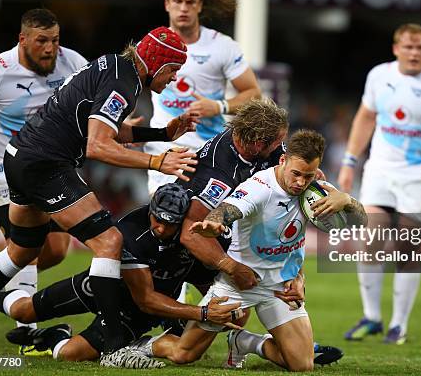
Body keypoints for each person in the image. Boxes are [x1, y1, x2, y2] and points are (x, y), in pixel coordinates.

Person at [0, 26, 199, 365]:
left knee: (23, 250)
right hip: (46, 165)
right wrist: (158, 159)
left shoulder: (114, 65)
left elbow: (104, 129)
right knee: (109, 242)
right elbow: (98, 145)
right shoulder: (123, 82)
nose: (173, 78)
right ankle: (115, 348)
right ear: (157, 62)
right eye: (172, 69)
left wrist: (161, 133)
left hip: (20, 156)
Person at [141, 129, 366, 371]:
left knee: (302, 365)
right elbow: (230, 208)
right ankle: (143, 346)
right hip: (239, 282)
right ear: (283, 161)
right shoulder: (260, 186)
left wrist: (347, 201)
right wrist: (216, 221)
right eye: (296, 174)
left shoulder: (316, 190)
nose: (301, 182)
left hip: (281, 287)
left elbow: (361, 223)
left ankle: (244, 342)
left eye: (308, 176)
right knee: (183, 354)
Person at [0, 183, 242, 368]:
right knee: (25, 310)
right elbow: (145, 298)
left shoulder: (195, 236)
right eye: (158, 221)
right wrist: (201, 314)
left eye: (171, 225)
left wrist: (220, 306)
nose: (163, 230)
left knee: (69, 354)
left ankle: (53, 336)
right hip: (106, 290)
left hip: (140, 314)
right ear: (150, 209)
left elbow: (202, 277)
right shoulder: (131, 232)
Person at [0, 9, 88, 350]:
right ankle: (28, 333)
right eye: (42, 41)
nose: (50, 49)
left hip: (45, 167)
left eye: (55, 41)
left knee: (57, 250)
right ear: (23, 40)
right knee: (24, 248)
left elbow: (96, 97)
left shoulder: (71, 61)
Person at [338, 23, 421, 344]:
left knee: (408, 247)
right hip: (381, 168)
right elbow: (365, 117)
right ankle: (371, 317)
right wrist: (349, 161)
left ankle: (399, 324)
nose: (414, 53)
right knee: (370, 237)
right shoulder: (378, 76)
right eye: (408, 48)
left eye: (420, 48)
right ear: (396, 49)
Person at [144, 0, 262, 194]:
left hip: (210, 150)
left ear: (199, 5)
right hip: (166, 149)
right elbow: (133, 84)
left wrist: (219, 107)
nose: (183, 8)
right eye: (178, 1)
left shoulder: (222, 46)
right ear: (167, 4)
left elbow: (254, 94)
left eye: (190, 2)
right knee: (165, 219)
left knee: (204, 223)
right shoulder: (152, 44)